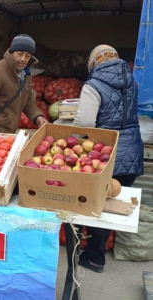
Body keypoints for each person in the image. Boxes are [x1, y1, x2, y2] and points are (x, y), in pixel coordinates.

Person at [73, 45, 144, 273]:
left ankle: (94, 257)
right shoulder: (132, 82)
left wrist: (73, 141)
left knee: (96, 206)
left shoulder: (93, 85)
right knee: (110, 202)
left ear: (93, 63)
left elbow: (84, 122)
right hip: (132, 150)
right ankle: (96, 252)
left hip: (106, 153)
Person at [0, 34, 48, 133]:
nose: (23, 59)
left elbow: (27, 100)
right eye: (19, 54)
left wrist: (38, 116)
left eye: (28, 56)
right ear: (11, 52)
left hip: (10, 133)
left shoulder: (26, 74)